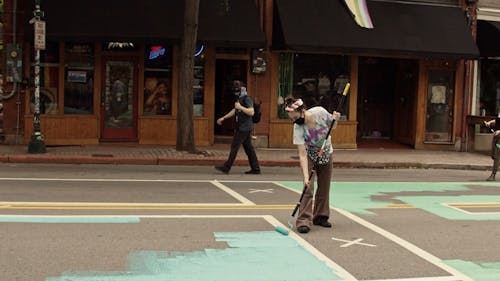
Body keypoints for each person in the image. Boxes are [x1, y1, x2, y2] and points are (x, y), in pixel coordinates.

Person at [284, 97, 340, 234]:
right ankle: (303, 221)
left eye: (295, 117)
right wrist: (305, 177)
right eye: (291, 118)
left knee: (324, 186)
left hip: (326, 151)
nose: (294, 121)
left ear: (303, 111)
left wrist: (336, 119)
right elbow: (302, 154)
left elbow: (333, 126)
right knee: (308, 187)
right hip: (309, 154)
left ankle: (320, 216)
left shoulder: (320, 112)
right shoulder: (298, 127)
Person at [215, 80, 261, 174]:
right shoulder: (239, 98)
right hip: (243, 127)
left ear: (241, 89)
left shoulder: (247, 98)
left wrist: (241, 108)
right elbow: (234, 110)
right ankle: (256, 169)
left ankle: (226, 167)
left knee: (234, 147)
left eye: (237, 88)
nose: (235, 90)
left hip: (244, 127)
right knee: (249, 149)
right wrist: (224, 118)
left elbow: (251, 112)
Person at [484, 111, 500, 181]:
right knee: (493, 155)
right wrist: (489, 123)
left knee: (496, 155)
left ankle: (493, 175)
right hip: (496, 137)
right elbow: (497, 120)